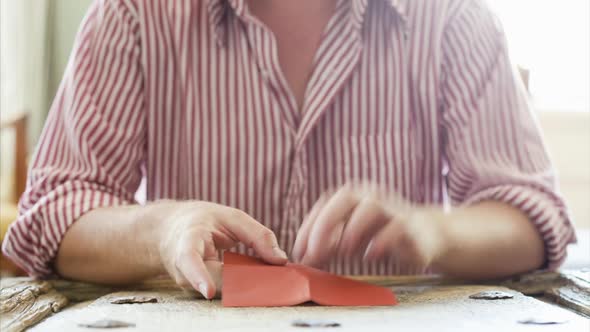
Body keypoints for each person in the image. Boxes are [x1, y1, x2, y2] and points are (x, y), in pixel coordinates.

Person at [3, 0, 575, 300]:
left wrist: (435, 232)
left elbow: (533, 218)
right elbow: (53, 214)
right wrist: (163, 230)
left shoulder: (452, 17)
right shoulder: (132, 13)